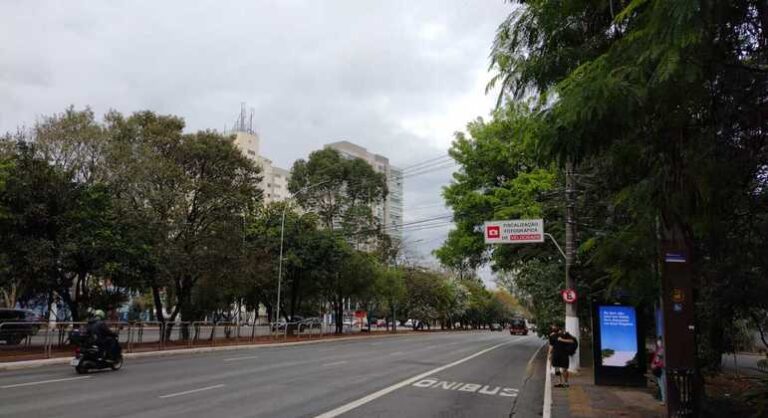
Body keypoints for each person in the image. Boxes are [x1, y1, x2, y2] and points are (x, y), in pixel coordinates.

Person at [651, 337, 666, 405]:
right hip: (658, 369)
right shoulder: (658, 349)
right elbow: (655, 359)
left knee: (662, 385)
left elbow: (662, 360)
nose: (658, 342)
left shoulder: (662, 349)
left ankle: (664, 400)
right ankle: (663, 399)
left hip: (661, 369)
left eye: (659, 341)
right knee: (660, 385)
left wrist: (656, 365)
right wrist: (652, 364)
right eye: (657, 341)